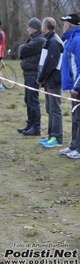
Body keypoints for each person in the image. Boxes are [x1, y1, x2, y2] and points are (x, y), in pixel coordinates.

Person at [37, 17, 64, 148]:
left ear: (45, 27)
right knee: (49, 109)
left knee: (55, 110)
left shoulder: (54, 41)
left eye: (42, 26)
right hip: (48, 80)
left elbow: (50, 63)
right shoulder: (49, 40)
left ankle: (56, 137)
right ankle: (50, 135)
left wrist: (42, 77)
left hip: (53, 80)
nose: (42, 28)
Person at [17, 18, 45, 136]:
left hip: (33, 74)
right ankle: (30, 123)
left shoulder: (39, 40)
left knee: (32, 100)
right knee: (28, 100)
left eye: (29, 27)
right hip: (28, 73)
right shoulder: (34, 40)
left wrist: (21, 48)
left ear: (35, 28)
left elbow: (23, 50)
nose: (27, 29)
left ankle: (36, 127)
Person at [58, 14, 80, 158]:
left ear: (70, 24)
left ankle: (78, 149)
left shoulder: (77, 40)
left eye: (65, 22)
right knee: (74, 118)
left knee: (79, 118)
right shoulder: (69, 39)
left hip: (78, 87)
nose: (63, 24)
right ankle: (73, 145)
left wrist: (77, 87)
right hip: (73, 86)